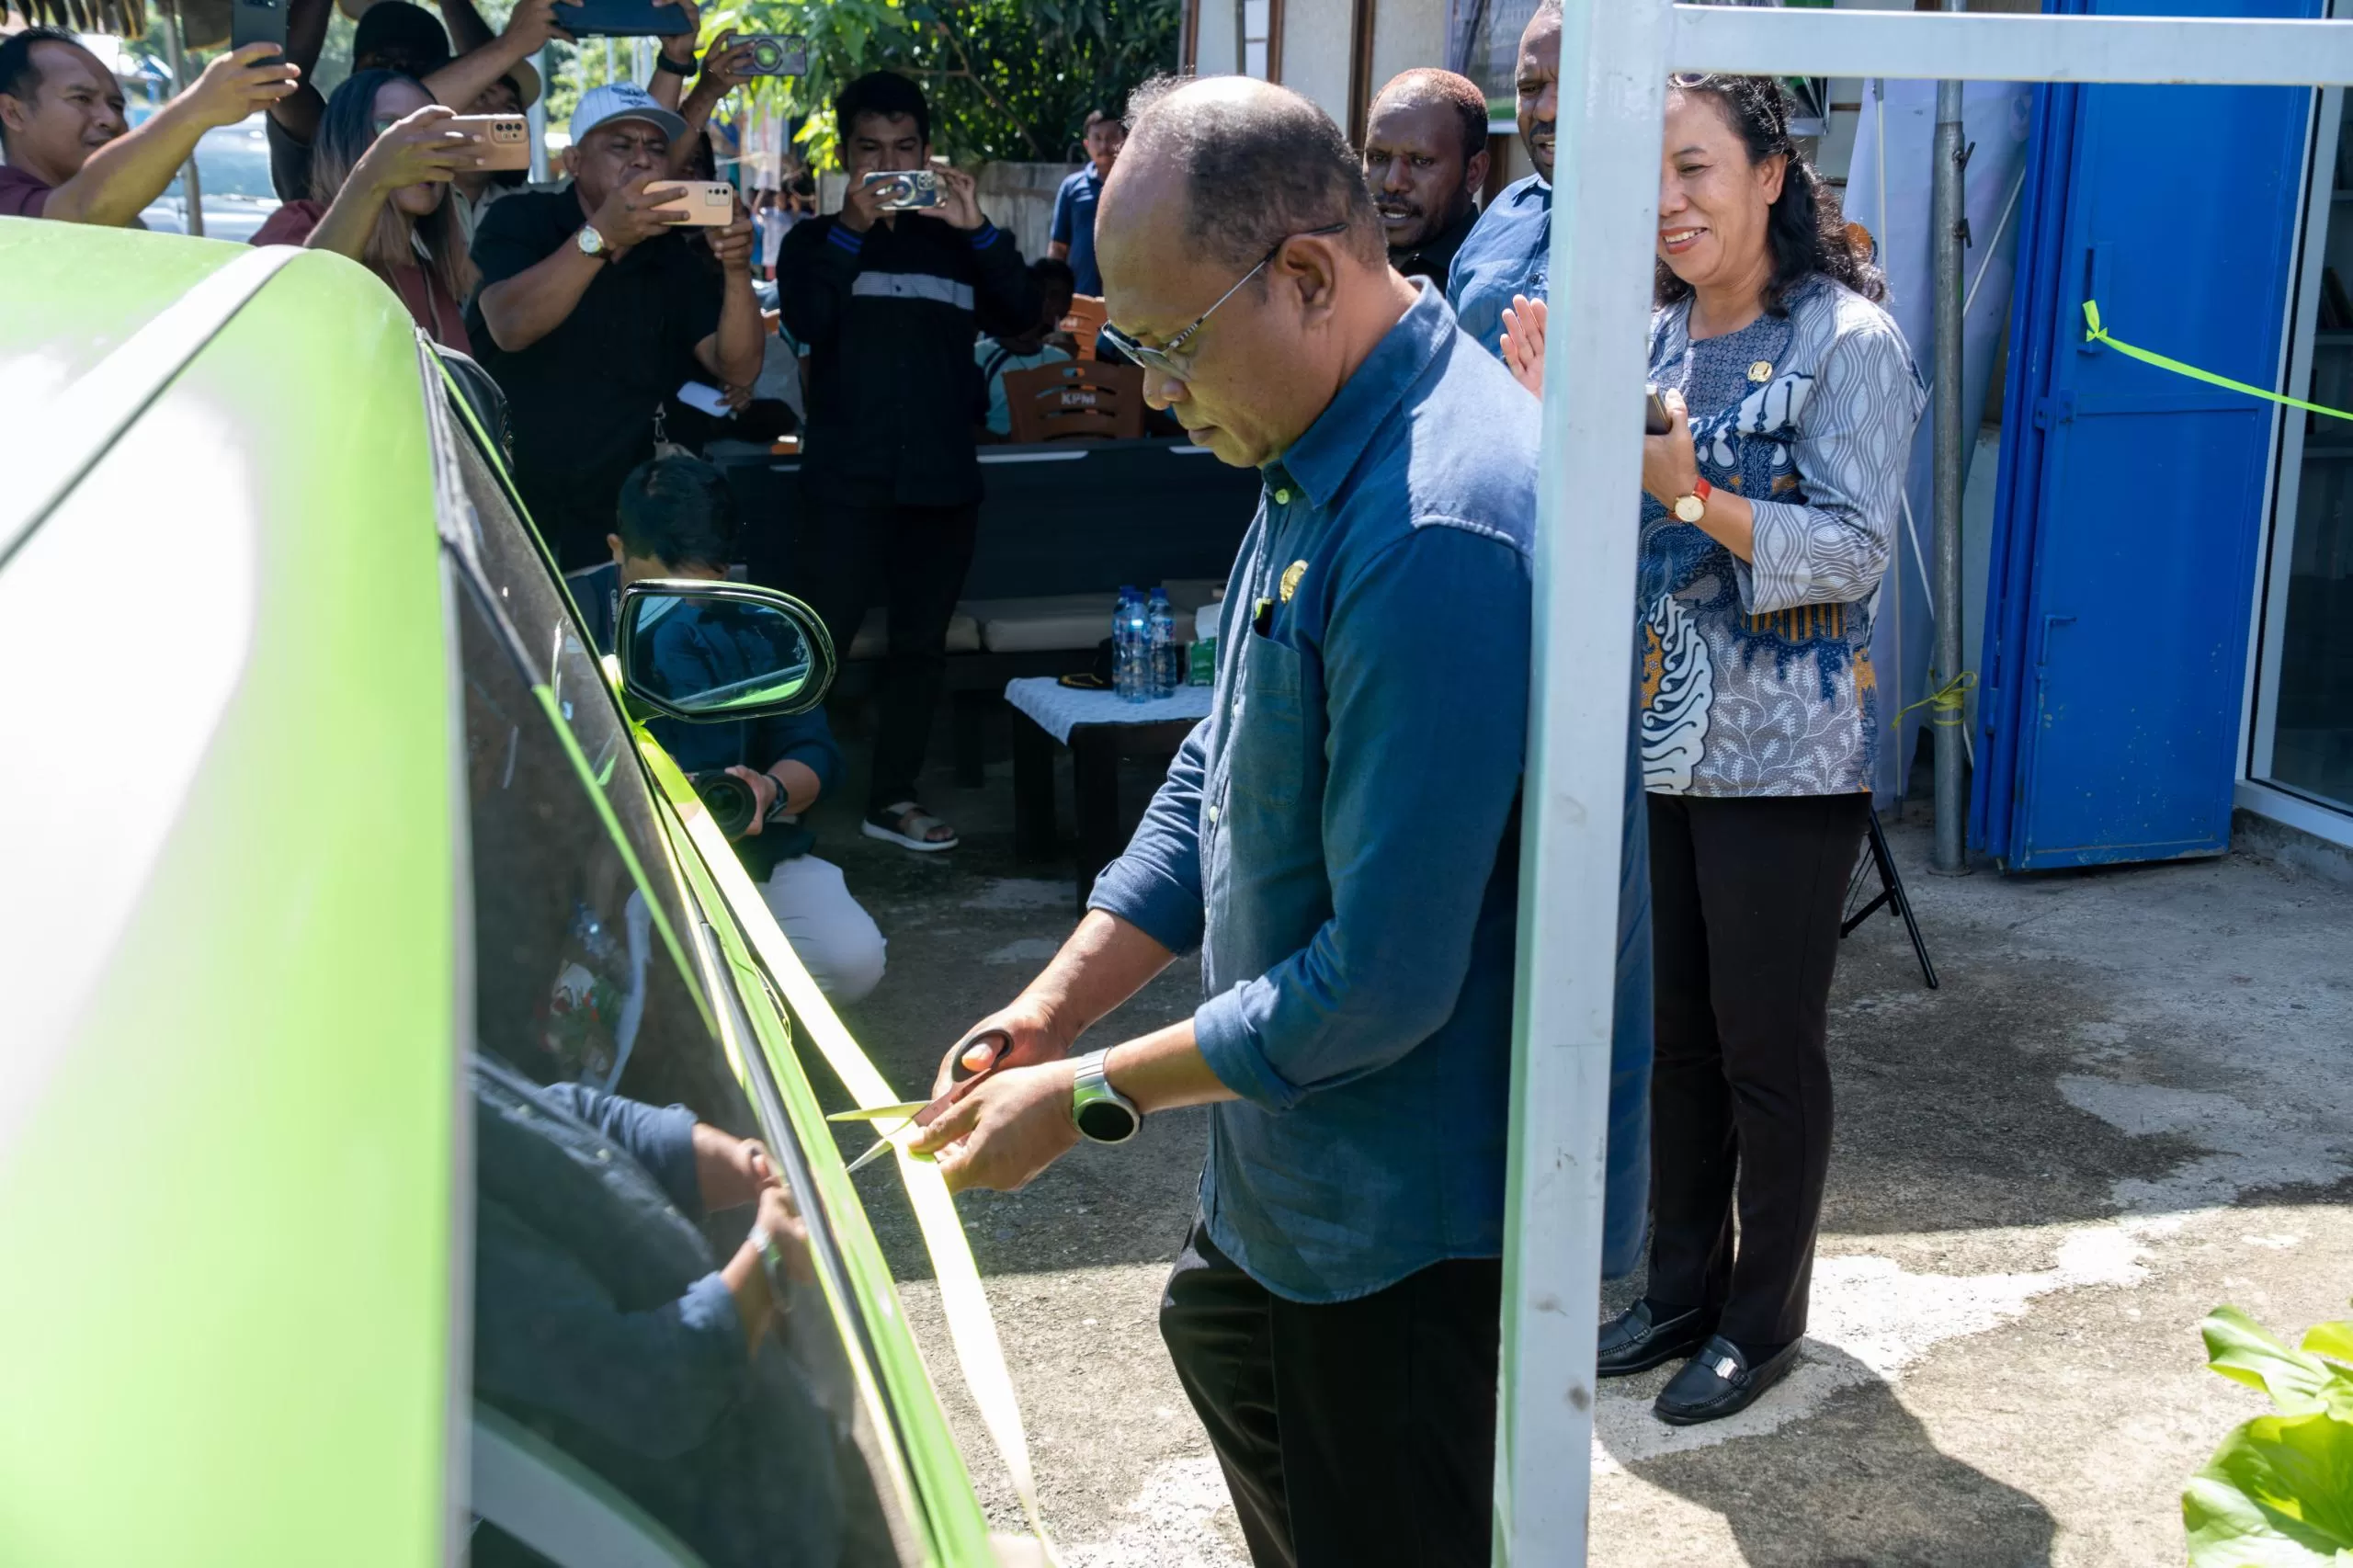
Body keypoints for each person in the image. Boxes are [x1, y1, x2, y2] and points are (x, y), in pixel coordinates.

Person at [903, 75, 1541, 1568]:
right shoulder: (1315, 435)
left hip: (1402, 1229)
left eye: (1169, 347)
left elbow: (1381, 983)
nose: (1151, 391)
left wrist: (1087, 1099)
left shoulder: (1436, 519)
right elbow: (1220, 762)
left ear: (1307, 276)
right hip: (1291, 1175)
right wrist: (1048, 1014)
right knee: (1221, 1342)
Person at [1502, 74, 1923, 1426]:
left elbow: (1854, 554)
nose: (1669, 204)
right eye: (1651, 178)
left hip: (1786, 750)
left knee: (1765, 1044)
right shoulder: (1651, 340)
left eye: (1695, 170)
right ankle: (1681, 1287)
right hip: (1661, 730)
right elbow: (1605, 525)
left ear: (1771, 175)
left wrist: (1693, 491)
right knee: (1674, 1038)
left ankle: (1764, 1320)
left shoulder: (1848, 343)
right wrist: (1549, 421)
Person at [774, 71, 1039, 855]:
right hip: (845, 481)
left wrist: (979, 226)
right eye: (870, 150)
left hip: (941, 482)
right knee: (818, 640)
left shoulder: (960, 245)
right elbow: (806, 319)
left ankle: (889, 798)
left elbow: (1025, 315)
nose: (888, 163)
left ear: (927, 153)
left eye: (905, 148)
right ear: (847, 156)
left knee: (920, 649)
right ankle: (780, 791)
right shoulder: (815, 243)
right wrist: (852, 231)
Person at [573, 455, 889, 1002]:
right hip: (600, 860)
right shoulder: (563, 614)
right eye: (652, 592)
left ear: (722, 571)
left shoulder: (756, 622)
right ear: (616, 549)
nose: (673, 613)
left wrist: (768, 789)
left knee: (851, 960)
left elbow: (813, 750)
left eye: (693, 593)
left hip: (743, 854)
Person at [465, 82, 763, 571]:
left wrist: (735, 270)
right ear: (574, 162)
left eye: (655, 149)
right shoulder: (521, 218)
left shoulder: (668, 253)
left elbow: (738, 368)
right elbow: (510, 325)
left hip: (612, 514)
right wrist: (601, 236)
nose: (642, 161)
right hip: (512, 499)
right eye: (621, 147)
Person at [249, 71, 476, 350]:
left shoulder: (432, 275)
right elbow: (284, 321)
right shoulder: (297, 223)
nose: (420, 147)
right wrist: (372, 178)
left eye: (434, 133)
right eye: (391, 129)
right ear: (348, 142)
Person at [266, 0, 566, 205]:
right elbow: (277, 83)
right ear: (354, 69)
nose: (395, 73)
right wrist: (512, 43)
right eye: (382, 61)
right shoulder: (334, 138)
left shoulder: (472, 198)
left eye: (414, 70)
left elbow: (494, 85)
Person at [0, 29, 294, 223]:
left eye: (117, 105)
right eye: (81, 98)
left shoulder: (124, 216)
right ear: (13, 113)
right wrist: (197, 109)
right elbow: (82, 212)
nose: (111, 119)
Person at [1446, 0, 1558, 353]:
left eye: (1575, 83)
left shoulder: (1665, 223)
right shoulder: (1502, 213)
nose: (1545, 108)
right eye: (1529, 88)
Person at [1361, 67, 1488, 287]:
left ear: (1474, 172)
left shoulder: (1491, 283)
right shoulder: (1337, 265)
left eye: (1421, 161)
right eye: (1378, 158)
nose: (1393, 182)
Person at [976, 256, 1077, 438]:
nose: (1057, 305)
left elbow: (1076, 424)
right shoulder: (981, 356)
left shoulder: (1062, 359)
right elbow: (964, 426)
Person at [1049, 106, 1123, 297]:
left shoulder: (1136, 186)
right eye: (1097, 138)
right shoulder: (1072, 187)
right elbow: (1059, 247)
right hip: (1081, 297)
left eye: (1111, 137)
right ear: (1086, 144)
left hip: (1128, 303)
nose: (1104, 146)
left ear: (1124, 141)